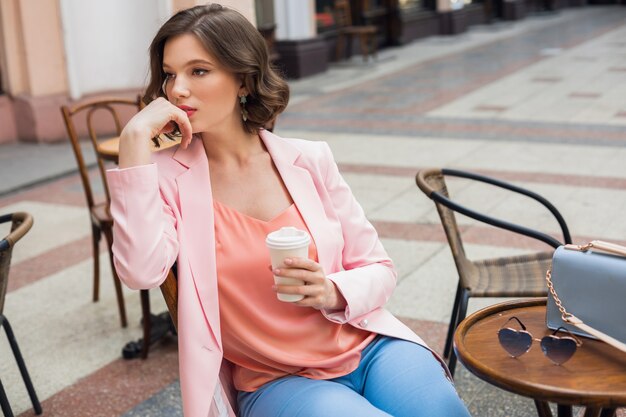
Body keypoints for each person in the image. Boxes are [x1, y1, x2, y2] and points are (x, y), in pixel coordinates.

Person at [107, 4, 472, 417]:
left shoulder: (309, 159)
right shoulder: (165, 178)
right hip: (276, 379)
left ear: (243, 79)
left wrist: (332, 290)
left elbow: (379, 267)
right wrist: (134, 140)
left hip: (367, 347)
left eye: (199, 71)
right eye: (171, 74)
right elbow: (139, 271)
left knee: (442, 410)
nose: (178, 90)